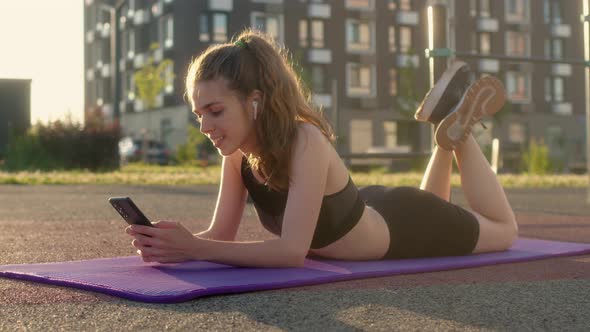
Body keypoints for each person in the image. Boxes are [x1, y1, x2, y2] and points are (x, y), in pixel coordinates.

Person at [126, 29, 518, 267]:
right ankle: (445, 136)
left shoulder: (305, 140)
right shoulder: (237, 156)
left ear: (255, 101)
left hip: (407, 225)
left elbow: (291, 252)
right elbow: (220, 236)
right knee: (440, 204)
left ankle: (459, 134)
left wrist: (194, 248)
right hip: (379, 209)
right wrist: (173, 245)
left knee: (505, 232)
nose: (204, 126)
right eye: (199, 114)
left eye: (214, 111)